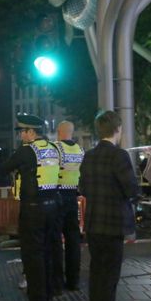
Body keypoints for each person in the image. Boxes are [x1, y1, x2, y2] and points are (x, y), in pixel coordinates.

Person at [79, 111, 139, 301]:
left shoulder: (89, 156)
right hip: (113, 226)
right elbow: (131, 189)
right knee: (110, 280)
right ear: (118, 130)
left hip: (94, 226)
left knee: (96, 277)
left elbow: (82, 188)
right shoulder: (119, 156)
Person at [0, 114, 60, 301]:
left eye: (22, 132)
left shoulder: (27, 151)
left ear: (31, 132)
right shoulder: (53, 149)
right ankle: (49, 291)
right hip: (52, 206)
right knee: (49, 251)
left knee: (32, 255)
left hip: (33, 209)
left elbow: (3, 168)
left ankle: (37, 300)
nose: (20, 136)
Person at [53, 120, 85, 292]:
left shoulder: (56, 148)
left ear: (59, 131)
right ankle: (74, 282)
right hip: (73, 197)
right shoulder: (80, 150)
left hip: (57, 197)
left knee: (56, 241)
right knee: (73, 241)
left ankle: (57, 283)